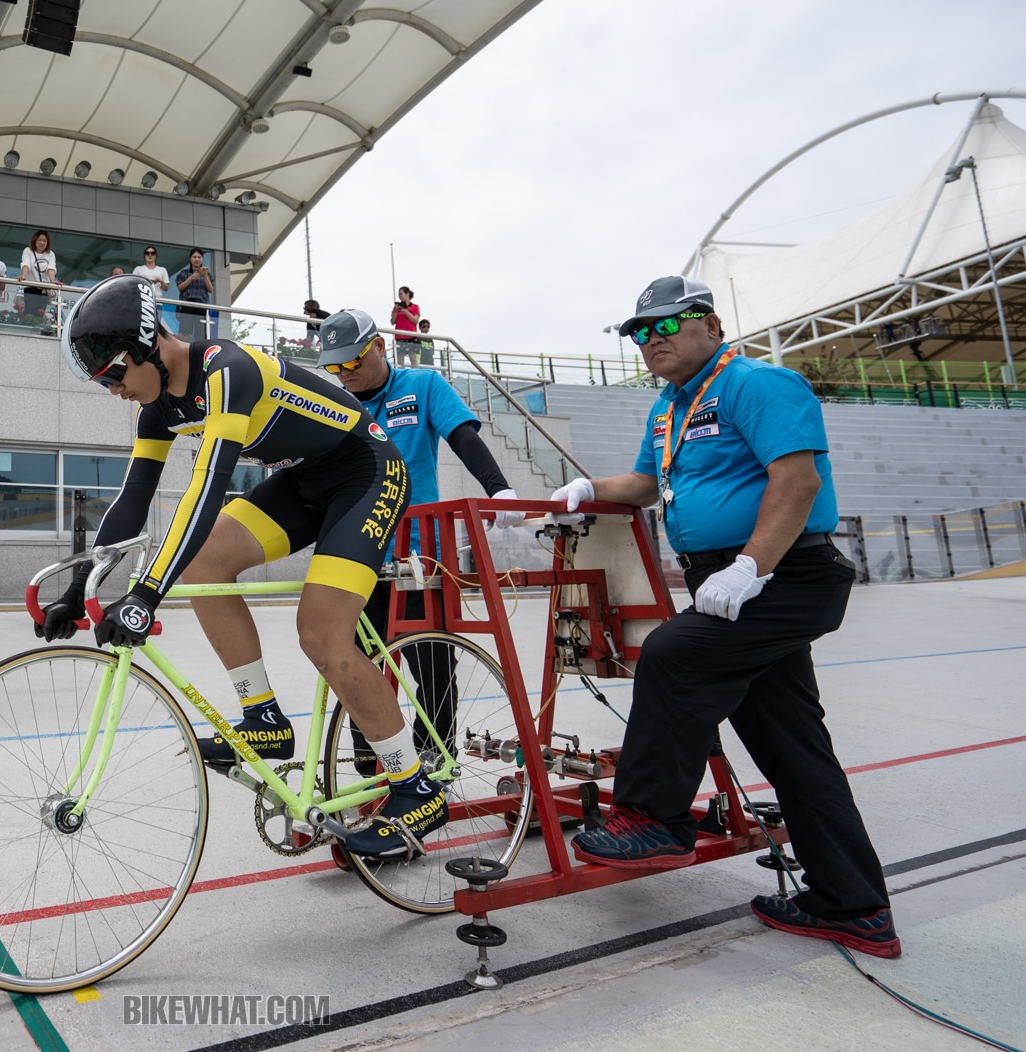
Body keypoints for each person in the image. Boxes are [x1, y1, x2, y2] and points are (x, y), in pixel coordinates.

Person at [555, 275, 899, 958]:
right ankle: (854, 905)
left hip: (783, 572)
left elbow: (797, 479)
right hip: (727, 581)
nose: (650, 340)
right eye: (639, 332)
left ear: (710, 325)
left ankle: (652, 819)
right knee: (792, 747)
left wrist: (751, 566)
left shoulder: (758, 384)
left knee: (673, 653)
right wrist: (591, 487)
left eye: (665, 325)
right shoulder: (668, 408)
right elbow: (646, 483)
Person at [39, 275, 439, 859]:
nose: (114, 390)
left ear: (146, 346)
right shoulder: (157, 407)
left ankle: (415, 785)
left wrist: (146, 594)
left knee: (321, 633)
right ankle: (264, 718)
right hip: (303, 480)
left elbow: (207, 488)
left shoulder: (226, 369)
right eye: (103, 382)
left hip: (367, 472)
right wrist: (81, 586)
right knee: (203, 561)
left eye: (114, 375)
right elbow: (134, 497)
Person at [319, 308, 520, 757]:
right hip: (358, 557)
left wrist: (499, 489)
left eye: (352, 361)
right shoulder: (335, 405)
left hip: (418, 559)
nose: (344, 374)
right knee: (355, 668)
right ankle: (370, 768)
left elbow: (462, 436)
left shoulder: (422, 385)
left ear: (379, 346)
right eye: (334, 367)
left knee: (432, 669)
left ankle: (433, 766)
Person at [174, 248, 213, 342]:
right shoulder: (184, 273)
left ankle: (199, 349)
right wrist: (191, 278)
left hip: (202, 306)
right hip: (187, 306)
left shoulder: (207, 274)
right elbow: (180, 287)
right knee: (185, 334)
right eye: (194, 257)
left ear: (202, 259)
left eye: (199, 257)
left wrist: (205, 275)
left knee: (201, 335)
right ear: (190, 259)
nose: (196, 259)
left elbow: (210, 289)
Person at [18, 229, 57, 319]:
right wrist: (23, 276)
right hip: (30, 288)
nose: (42, 243)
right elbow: (26, 264)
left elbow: (51, 268)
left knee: (40, 315)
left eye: (44, 240)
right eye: (40, 240)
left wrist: (53, 281)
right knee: (29, 313)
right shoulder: (28, 251)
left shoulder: (50, 254)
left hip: (44, 289)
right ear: (34, 240)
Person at [391, 287, 421, 366]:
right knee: (400, 361)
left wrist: (406, 312)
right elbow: (392, 322)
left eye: (401, 294)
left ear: (407, 294)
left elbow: (415, 320)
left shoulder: (415, 307)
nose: (400, 296)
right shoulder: (396, 308)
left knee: (413, 359)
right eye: (399, 294)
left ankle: (415, 373)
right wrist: (395, 312)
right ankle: (401, 374)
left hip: (411, 336)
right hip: (400, 337)